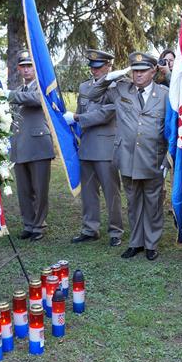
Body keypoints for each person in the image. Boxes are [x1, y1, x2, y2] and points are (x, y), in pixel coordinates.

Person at [81, 52, 169, 261]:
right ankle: (136, 242)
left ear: (153, 70)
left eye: (143, 70)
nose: (138, 75)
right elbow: (92, 95)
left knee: (153, 202)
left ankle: (151, 243)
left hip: (153, 157)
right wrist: (109, 77)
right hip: (127, 157)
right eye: (135, 70)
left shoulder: (164, 94)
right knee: (133, 202)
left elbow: (173, 126)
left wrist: (168, 158)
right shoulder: (121, 88)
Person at [66, 49, 124, 247]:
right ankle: (90, 229)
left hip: (106, 147)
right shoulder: (84, 87)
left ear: (109, 66)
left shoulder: (115, 87)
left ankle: (116, 230)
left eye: (98, 67)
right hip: (87, 145)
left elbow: (105, 114)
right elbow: (82, 110)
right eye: (92, 67)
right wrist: (75, 119)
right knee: (89, 192)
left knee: (111, 192)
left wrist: (77, 118)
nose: (94, 71)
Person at [7, 50, 55, 242]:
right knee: (24, 189)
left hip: (39, 144)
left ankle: (39, 224)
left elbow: (36, 100)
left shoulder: (45, 87)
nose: (26, 70)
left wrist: (8, 94)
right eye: (23, 66)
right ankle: (28, 223)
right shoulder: (18, 91)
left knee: (40, 187)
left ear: (36, 68)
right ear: (18, 68)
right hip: (20, 146)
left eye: (30, 66)